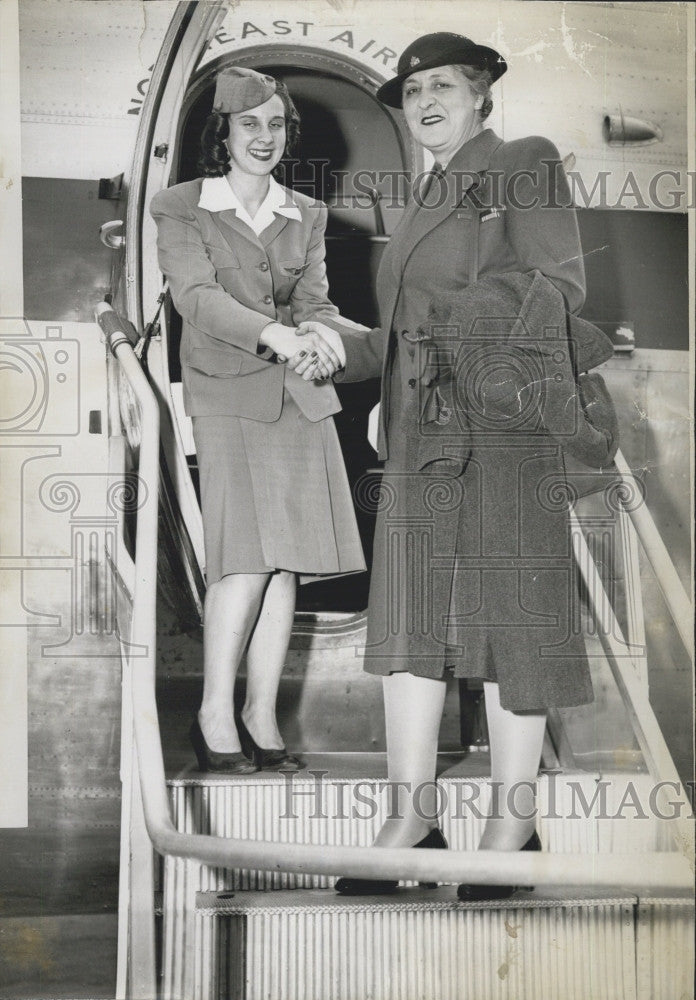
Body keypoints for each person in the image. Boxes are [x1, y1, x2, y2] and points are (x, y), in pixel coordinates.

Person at [294, 32, 618, 898]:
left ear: (480, 95)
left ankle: (512, 828)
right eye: (411, 91)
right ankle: (413, 817)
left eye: (443, 85)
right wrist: (344, 349)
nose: (424, 100)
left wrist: (436, 344)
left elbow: (558, 288)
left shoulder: (522, 160)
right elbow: (404, 330)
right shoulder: (423, 199)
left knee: (512, 625)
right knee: (407, 630)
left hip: (503, 428)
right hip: (421, 434)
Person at [150, 66, 363, 774]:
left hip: (298, 395)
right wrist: (277, 336)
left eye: (276, 125)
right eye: (250, 124)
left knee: (286, 566)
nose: (264, 137)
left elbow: (317, 300)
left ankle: (260, 714)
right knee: (244, 559)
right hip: (227, 392)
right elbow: (196, 296)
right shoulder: (180, 206)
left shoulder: (307, 212)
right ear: (224, 133)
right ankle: (213, 711)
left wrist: (325, 333)